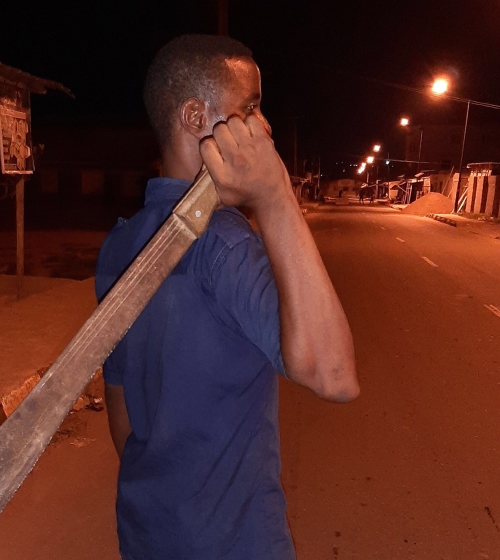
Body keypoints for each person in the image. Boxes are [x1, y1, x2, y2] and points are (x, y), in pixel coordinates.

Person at [95, 34, 359, 560]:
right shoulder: (225, 244)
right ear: (196, 117)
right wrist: (276, 193)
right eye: (251, 108)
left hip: (146, 534)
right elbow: (334, 376)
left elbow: (122, 418)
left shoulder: (120, 245)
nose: (263, 128)